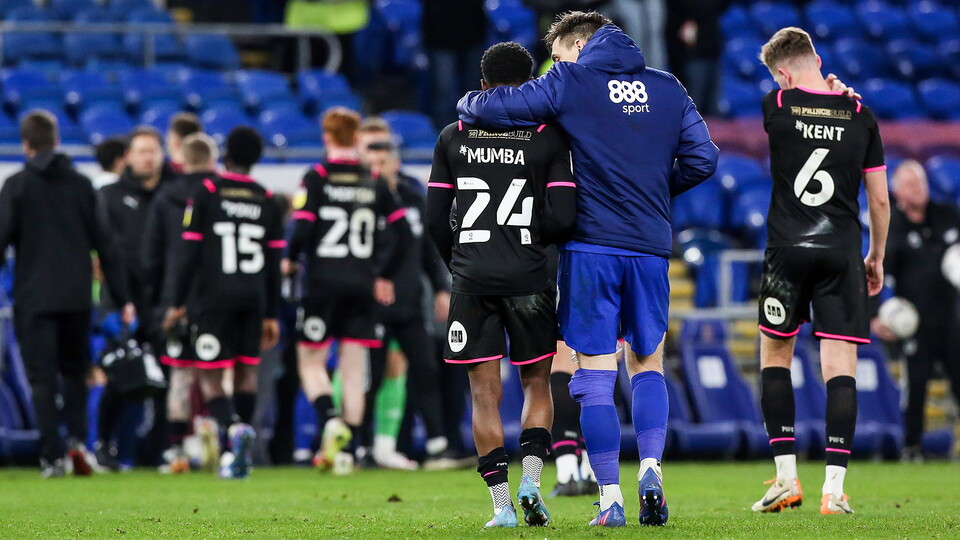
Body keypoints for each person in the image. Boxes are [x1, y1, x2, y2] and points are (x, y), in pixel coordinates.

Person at [458, 11, 719, 527]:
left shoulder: (571, 80)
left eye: (557, 56)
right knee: (647, 365)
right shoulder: (668, 87)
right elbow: (704, 159)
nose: (553, 66)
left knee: (594, 376)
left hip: (591, 248)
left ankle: (610, 500)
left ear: (578, 46)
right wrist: (650, 191)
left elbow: (501, 105)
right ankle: (650, 469)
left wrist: (467, 101)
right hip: (648, 247)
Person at [428, 41, 578, 528]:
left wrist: (459, 263)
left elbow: (433, 217)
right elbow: (564, 216)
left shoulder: (453, 136)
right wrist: (532, 242)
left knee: (483, 393)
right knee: (537, 383)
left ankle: (501, 508)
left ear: (483, 82)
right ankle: (533, 482)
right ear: (531, 82)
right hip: (530, 277)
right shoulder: (548, 138)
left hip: (472, 278)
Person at [751, 27, 890, 515]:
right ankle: (834, 490)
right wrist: (876, 256)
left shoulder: (777, 105)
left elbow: (802, 103)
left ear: (783, 74)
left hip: (788, 248)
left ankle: (787, 479)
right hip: (841, 249)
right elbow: (879, 199)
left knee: (775, 356)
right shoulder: (861, 114)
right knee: (840, 368)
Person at [0, 111, 135, 478]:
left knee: (42, 380)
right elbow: (107, 246)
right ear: (57, 141)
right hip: (77, 297)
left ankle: (52, 456)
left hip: (34, 298)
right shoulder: (81, 185)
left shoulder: (16, 186)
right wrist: (122, 298)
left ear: (26, 145)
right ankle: (77, 442)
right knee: (76, 373)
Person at [286, 107, 402, 475]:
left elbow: (302, 229)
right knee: (354, 370)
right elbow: (397, 230)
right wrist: (382, 272)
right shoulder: (373, 178)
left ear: (326, 138)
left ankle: (330, 418)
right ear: (356, 139)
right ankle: (348, 452)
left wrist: (289, 259)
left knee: (311, 361)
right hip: (363, 283)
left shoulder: (317, 176)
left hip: (323, 282)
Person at [165, 127, 284, 479]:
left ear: (226, 154)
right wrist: (272, 313)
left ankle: (232, 430)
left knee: (211, 376)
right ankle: (239, 455)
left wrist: (176, 302)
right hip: (253, 299)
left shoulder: (208, 192)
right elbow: (275, 264)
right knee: (246, 372)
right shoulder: (266, 197)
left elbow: (188, 252)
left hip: (212, 299)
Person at [358, 129, 456, 470]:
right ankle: (363, 446)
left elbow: (428, 250)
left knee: (426, 371)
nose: (377, 168)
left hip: (411, 302)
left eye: (382, 162)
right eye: (371, 162)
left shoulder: (413, 200)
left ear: (394, 164)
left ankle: (436, 446)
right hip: (374, 307)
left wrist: (442, 287)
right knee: (370, 376)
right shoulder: (359, 204)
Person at [142, 132, 220, 473]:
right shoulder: (223, 194)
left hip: (177, 297)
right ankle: (214, 436)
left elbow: (151, 257)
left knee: (181, 377)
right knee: (217, 374)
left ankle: (176, 450)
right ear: (212, 159)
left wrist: (162, 301)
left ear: (182, 161)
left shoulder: (166, 197)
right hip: (217, 298)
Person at [872, 161, 960, 462]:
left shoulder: (948, 215)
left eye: (920, 183)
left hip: (952, 319)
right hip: (914, 322)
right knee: (916, 386)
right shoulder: (891, 225)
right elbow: (876, 271)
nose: (918, 189)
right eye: (910, 185)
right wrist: (875, 315)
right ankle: (912, 448)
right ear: (897, 191)